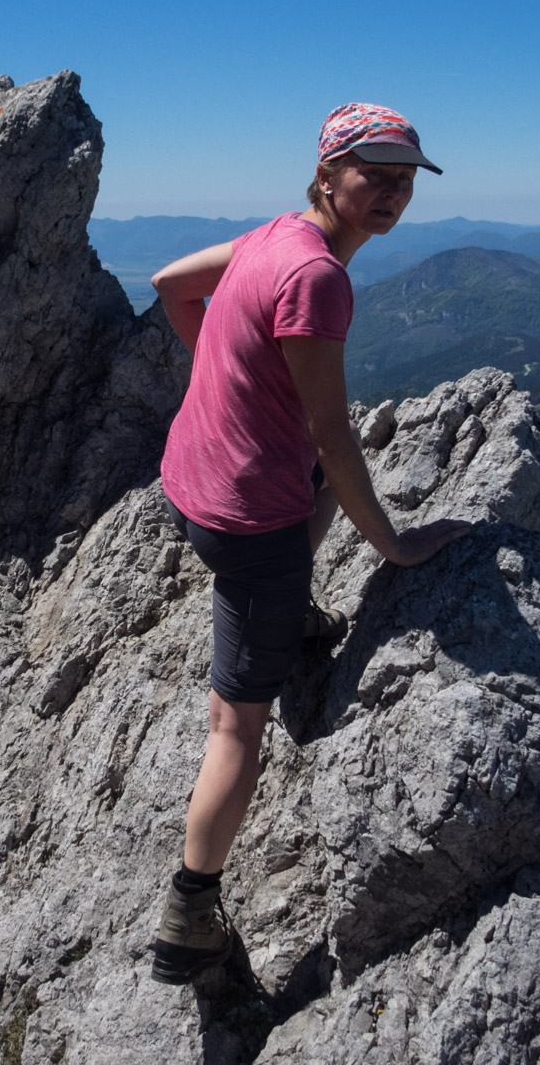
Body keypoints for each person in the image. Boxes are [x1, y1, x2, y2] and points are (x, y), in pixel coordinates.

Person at [147, 103, 472, 984]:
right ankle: (188, 910)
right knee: (235, 727)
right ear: (328, 174)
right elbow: (334, 436)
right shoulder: (319, 276)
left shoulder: (271, 239)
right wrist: (396, 548)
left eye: (406, 178)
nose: (394, 192)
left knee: (315, 499)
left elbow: (173, 283)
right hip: (246, 525)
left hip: (190, 480)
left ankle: (288, 611)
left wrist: (233, 376)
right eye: (376, 173)